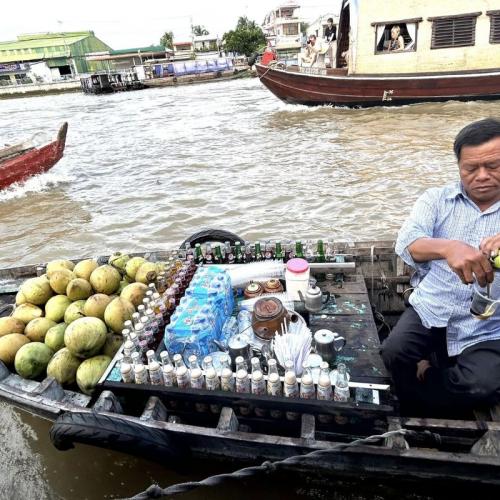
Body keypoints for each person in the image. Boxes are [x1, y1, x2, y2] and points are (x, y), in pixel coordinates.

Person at [381, 118, 500, 417]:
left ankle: (429, 383)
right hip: (433, 308)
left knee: (479, 385)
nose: (482, 176)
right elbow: (408, 242)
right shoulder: (436, 199)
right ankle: (414, 398)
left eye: (494, 166)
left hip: (490, 325)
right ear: (458, 166)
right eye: (471, 169)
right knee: (393, 353)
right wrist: (449, 247)